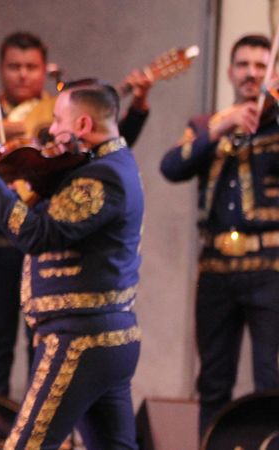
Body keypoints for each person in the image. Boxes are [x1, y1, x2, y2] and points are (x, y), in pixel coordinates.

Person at [0, 31, 153, 398]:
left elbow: (39, 235)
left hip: (75, 323)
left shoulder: (98, 166)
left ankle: (26, 406)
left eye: (31, 67)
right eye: (14, 66)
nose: (56, 132)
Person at [0, 80, 144, 448]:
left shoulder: (102, 176)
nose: (52, 132)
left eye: (58, 121)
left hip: (79, 338)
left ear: (83, 127)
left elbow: (40, 235)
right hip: (106, 337)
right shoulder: (106, 166)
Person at [160, 34, 279, 432]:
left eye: (261, 66)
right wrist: (219, 127)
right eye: (243, 65)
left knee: (271, 379)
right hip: (215, 269)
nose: (251, 74)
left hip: (270, 269)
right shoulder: (207, 125)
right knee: (212, 381)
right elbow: (172, 166)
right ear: (230, 72)